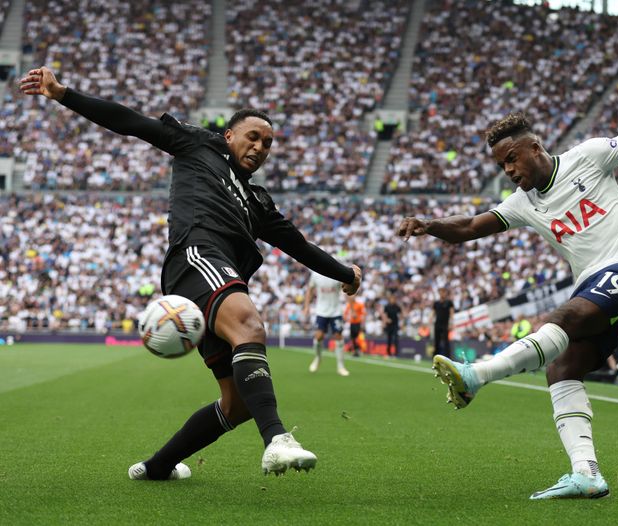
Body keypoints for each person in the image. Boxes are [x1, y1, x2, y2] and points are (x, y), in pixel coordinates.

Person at [397, 91, 618, 499]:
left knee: (561, 319)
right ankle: (586, 473)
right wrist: (429, 224)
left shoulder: (588, 156)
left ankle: (476, 375)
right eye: (501, 165)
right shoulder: (522, 204)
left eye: (512, 158)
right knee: (561, 369)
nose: (509, 169)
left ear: (535, 147)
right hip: (596, 286)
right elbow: (469, 228)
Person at [19, 67, 362, 480]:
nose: (260, 146)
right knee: (250, 325)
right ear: (229, 135)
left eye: (268, 143)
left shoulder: (258, 202)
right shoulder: (200, 145)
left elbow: (300, 246)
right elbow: (131, 122)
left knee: (236, 405)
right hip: (196, 255)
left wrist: (347, 273)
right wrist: (63, 94)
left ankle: (158, 467)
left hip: (218, 276)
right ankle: (276, 441)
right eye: (252, 136)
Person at [304, 271, 350, 376]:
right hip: (321, 311)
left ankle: (341, 366)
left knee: (338, 336)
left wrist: (350, 307)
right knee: (319, 336)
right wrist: (306, 306)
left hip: (336, 310)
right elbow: (310, 290)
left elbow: (346, 289)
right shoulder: (315, 275)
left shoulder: (336, 273)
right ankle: (318, 358)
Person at [431, 288, 455, 358]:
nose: (442, 294)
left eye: (443, 292)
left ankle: (448, 357)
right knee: (436, 341)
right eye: (441, 292)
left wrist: (451, 323)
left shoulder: (449, 303)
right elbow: (433, 312)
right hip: (437, 324)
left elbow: (451, 313)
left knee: (446, 342)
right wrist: (430, 319)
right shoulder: (436, 303)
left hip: (445, 324)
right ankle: (435, 357)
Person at [382, 292, 402, 357]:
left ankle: (396, 353)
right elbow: (384, 315)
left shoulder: (397, 307)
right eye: (392, 299)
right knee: (389, 339)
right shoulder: (387, 306)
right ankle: (389, 352)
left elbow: (401, 314)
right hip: (389, 325)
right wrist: (386, 320)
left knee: (396, 338)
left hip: (395, 325)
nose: (393, 300)